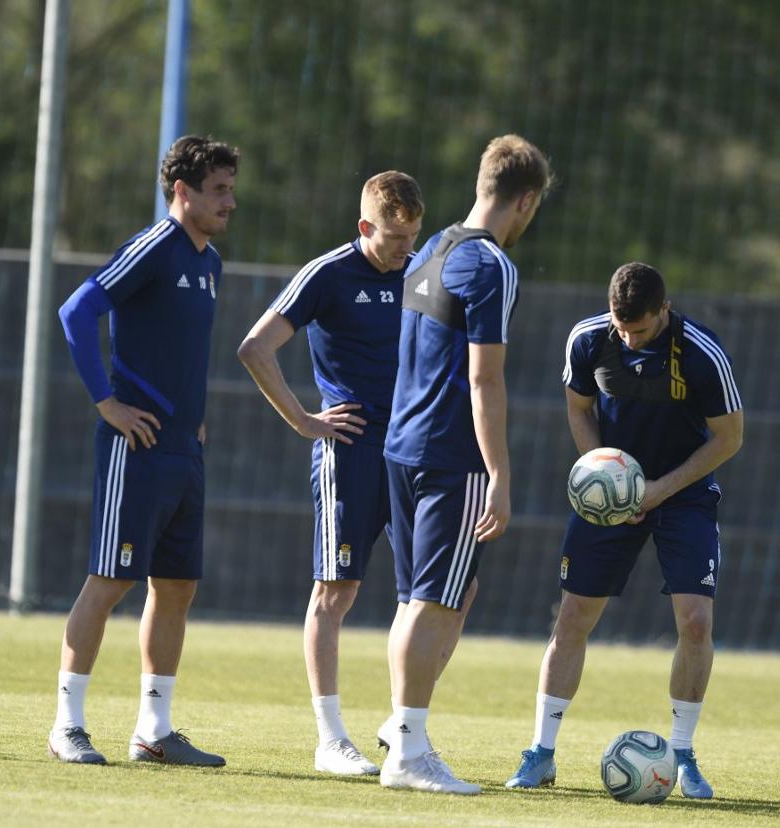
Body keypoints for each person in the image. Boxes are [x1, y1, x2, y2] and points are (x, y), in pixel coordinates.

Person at [239, 171, 478, 777]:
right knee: (336, 590)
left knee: (453, 589)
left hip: (412, 454)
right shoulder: (327, 274)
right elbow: (255, 347)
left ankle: (403, 722)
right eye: (397, 237)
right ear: (365, 226)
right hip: (348, 452)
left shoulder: (421, 273)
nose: (407, 248)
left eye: (415, 236)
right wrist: (303, 420)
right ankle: (330, 739)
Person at [503, 261, 743, 799]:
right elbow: (579, 408)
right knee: (572, 619)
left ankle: (683, 757)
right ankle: (541, 753)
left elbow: (729, 439)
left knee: (696, 622)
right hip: (611, 496)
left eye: (639, 329)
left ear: (665, 310)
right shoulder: (589, 339)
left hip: (684, 494)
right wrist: (608, 476)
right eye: (621, 327)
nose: (628, 338)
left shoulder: (703, 354)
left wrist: (658, 488)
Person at [47, 135, 238, 767]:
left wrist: (196, 422)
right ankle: (67, 726)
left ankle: (154, 731)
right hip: (139, 447)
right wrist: (107, 402)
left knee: (178, 586)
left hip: (183, 450)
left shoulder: (209, 262)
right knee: (111, 580)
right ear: (181, 192)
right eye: (218, 190)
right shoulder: (153, 246)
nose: (229, 202)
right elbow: (76, 312)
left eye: (231, 190)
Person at [380, 135, 552, 794]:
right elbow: (485, 382)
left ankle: (401, 732)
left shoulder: (431, 249)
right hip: (452, 455)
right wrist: (501, 476)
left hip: (404, 445)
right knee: (435, 603)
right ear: (526, 200)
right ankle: (410, 750)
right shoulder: (492, 265)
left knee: (432, 597)